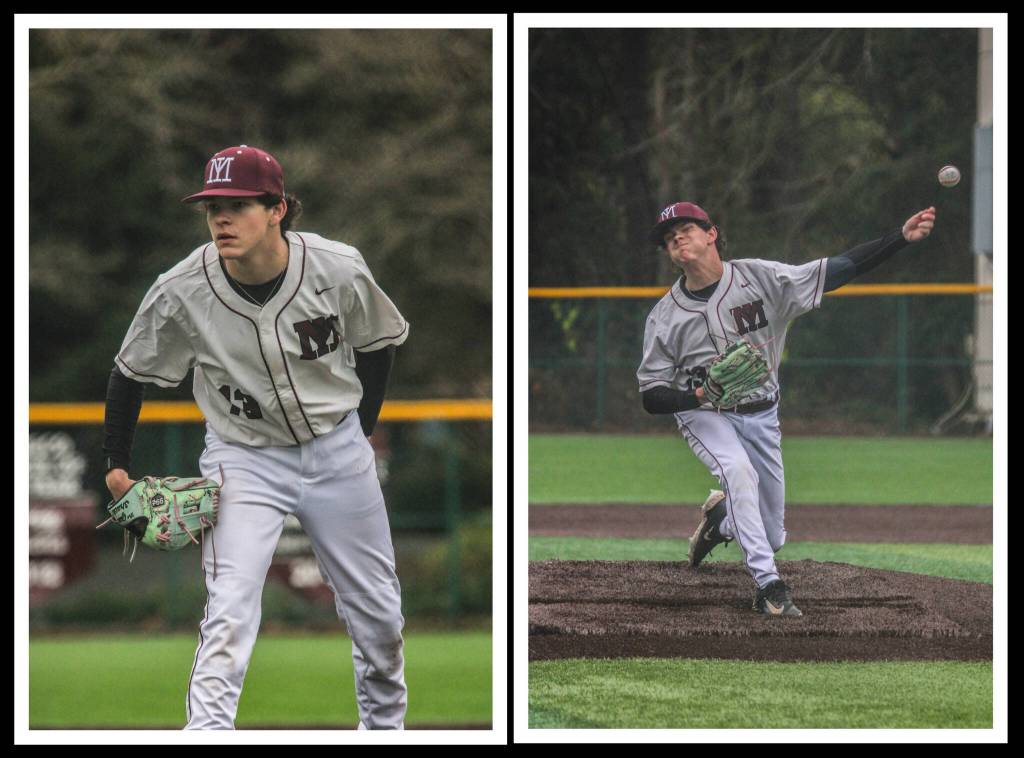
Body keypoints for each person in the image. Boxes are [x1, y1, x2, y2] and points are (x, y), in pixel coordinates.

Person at [102, 145, 409, 728]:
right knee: (230, 613)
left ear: (278, 210)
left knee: (380, 620)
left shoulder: (336, 267)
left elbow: (378, 343)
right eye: (212, 206)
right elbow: (129, 372)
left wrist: (358, 436)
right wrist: (116, 462)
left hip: (337, 447)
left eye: (238, 204)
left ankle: (386, 731)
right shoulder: (180, 288)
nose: (221, 217)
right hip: (243, 457)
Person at [636, 201, 935, 617]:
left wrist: (899, 239)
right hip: (706, 414)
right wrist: (699, 397)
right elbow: (651, 394)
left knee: (771, 534)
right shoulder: (665, 317)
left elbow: (837, 270)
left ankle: (720, 521)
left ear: (711, 234)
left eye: (685, 229)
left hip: (761, 412)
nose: (676, 239)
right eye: (669, 238)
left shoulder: (760, 278)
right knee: (737, 471)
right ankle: (768, 586)